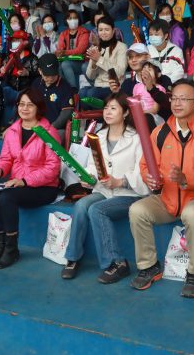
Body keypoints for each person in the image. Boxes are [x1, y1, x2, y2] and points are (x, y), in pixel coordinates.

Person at [129, 79, 194, 297]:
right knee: (137, 210)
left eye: (184, 99)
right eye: (174, 98)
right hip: (167, 198)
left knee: (192, 214)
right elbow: (146, 164)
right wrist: (149, 178)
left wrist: (185, 179)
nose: (177, 103)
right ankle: (149, 266)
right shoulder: (160, 132)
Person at [61, 93, 150, 281]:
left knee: (96, 210)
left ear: (125, 113)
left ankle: (118, 262)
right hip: (104, 191)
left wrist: (121, 181)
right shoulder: (98, 136)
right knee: (81, 205)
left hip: (129, 194)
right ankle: (73, 257)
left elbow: (143, 172)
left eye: (113, 108)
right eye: (106, 108)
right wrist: (89, 179)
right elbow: (93, 166)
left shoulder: (137, 138)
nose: (107, 112)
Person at [0, 89, 62, 269]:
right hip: (18, 184)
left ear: (39, 108)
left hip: (44, 187)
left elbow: (53, 168)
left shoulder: (49, 132)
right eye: (21, 104)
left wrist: (25, 181)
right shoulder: (12, 131)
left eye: (30, 105)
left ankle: (12, 249)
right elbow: (6, 159)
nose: (24, 108)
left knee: (7, 197)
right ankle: (0, 246)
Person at [82, 15, 128, 102]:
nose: (103, 33)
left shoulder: (122, 47)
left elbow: (120, 72)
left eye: (107, 30)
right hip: (98, 85)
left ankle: (104, 110)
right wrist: (93, 64)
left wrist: (99, 59)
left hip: (113, 87)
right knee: (82, 93)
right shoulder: (95, 48)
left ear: (113, 31)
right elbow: (90, 76)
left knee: (92, 94)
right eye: (100, 30)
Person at [30, 53, 75, 135]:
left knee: (59, 135)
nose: (50, 78)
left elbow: (67, 112)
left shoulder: (65, 87)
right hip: (36, 125)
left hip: (56, 128)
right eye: (47, 75)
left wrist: (51, 128)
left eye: (53, 75)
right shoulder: (36, 83)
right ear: (40, 71)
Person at [56, 10, 89, 89]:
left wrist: (64, 52)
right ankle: (62, 89)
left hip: (82, 62)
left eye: (75, 18)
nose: (72, 20)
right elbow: (60, 49)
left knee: (65, 64)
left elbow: (80, 50)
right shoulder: (63, 34)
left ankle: (73, 89)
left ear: (78, 19)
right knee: (58, 64)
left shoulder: (84, 32)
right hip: (68, 61)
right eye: (70, 18)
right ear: (66, 20)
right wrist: (59, 52)